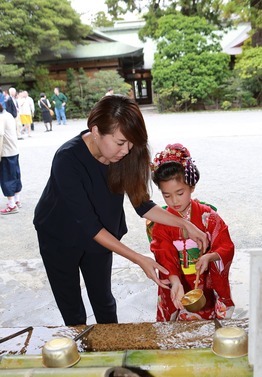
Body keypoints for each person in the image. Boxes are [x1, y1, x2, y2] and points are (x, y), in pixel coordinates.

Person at [33, 95, 208, 326]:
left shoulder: (126, 154)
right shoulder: (67, 159)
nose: (126, 150)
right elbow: (89, 225)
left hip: (102, 233)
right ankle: (83, 354)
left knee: (103, 299)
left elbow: (142, 204)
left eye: (131, 143)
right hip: (59, 235)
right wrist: (138, 259)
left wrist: (184, 223)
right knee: (71, 305)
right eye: (120, 142)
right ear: (95, 131)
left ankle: (113, 349)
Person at [148, 143, 235, 322]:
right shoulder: (162, 222)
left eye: (180, 193)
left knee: (206, 320)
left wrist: (209, 257)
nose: (174, 201)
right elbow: (163, 253)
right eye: (167, 195)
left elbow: (225, 245)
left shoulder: (207, 216)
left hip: (203, 279)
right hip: (176, 279)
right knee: (176, 317)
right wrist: (175, 281)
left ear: (192, 187)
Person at [0, 103, 22, 215]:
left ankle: (11, 205)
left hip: (6, 152)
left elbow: (0, 136)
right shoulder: (7, 114)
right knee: (15, 175)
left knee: (6, 178)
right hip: (14, 150)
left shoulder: (1, 118)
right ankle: (17, 200)